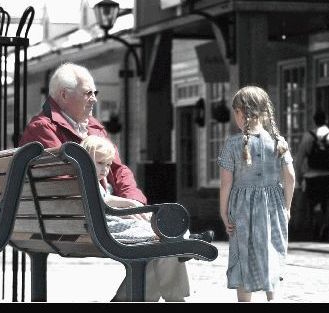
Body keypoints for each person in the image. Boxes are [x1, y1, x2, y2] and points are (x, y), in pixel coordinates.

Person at [19, 62, 213, 302]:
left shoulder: (94, 128)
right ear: (63, 95)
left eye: (95, 93)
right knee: (163, 239)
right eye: (88, 93)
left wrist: (134, 203)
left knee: (161, 239)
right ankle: (174, 281)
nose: (94, 99)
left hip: (99, 213)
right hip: (73, 220)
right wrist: (120, 206)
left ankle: (146, 286)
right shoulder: (42, 129)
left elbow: (120, 171)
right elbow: (64, 183)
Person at [218, 86, 295, 302]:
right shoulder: (279, 143)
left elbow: (226, 184)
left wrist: (224, 214)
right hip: (273, 207)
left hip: (241, 209)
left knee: (243, 257)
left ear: (241, 112)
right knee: (272, 256)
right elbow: (290, 176)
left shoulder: (232, 144)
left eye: (235, 112)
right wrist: (287, 206)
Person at [294, 109, 329, 241]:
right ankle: (325, 225)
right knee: (327, 203)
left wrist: (299, 176)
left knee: (313, 203)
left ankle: (316, 223)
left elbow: (299, 158)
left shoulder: (308, 136)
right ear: (326, 120)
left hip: (312, 176)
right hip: (328, 175)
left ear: (314, 121)